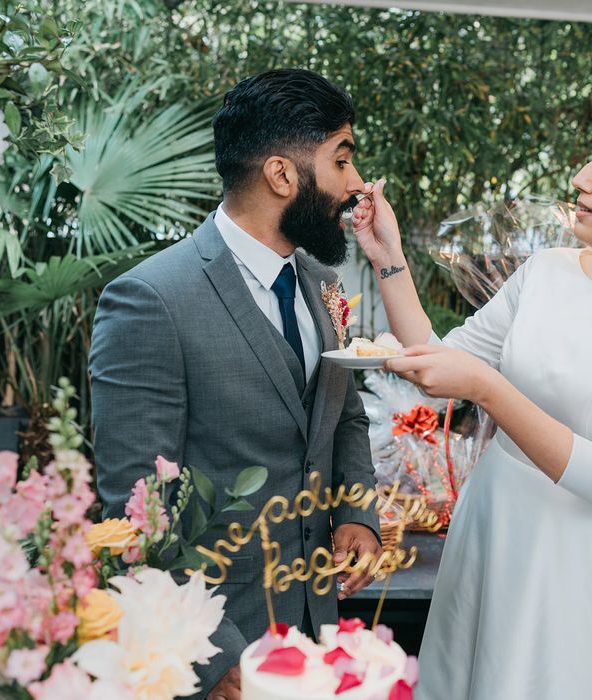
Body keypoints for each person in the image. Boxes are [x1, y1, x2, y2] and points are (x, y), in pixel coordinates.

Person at [89, 68, 381, 700]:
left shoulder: (322, 285)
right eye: (342, 159)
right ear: (282, 175)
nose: (356, 184)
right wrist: (211, 655)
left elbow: (344, 413)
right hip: (217, 643)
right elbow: (135, 513)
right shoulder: (151, 300)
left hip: (316, 623)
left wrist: (357, 512)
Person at [352, 105, 592, 699]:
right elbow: (435, 364)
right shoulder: (545, 273)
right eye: (591, 161)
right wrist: (388, 257)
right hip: (493, 531)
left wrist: (490, 388)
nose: (581, 179)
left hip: (584, 561)